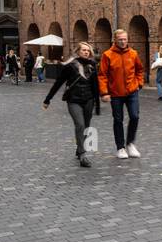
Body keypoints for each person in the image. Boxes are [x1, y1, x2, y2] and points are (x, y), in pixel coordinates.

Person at [43, 42, 100, 168]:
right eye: (84, 50)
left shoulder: (93, 65)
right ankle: (83, 154)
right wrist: (48, 99)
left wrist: (98, 104)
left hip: (89, 99)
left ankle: (79, 148)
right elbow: (58, 82)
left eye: (88, 50)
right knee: (80, 124)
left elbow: (95, 85)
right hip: (73, 100)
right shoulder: (70, 65)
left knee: (86, 126)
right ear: (78, 51)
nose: (86, 52)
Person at [98, 28, 143, 159]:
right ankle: (120, 147)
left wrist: (139, 83)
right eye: (120, 40)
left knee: (134, 116)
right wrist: (104, 92)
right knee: (118, 120)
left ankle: (130, 143)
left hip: (132, 91)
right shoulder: (107, 55)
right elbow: (102, 75)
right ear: (115, 40)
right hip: (116, 93)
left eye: (125, 39)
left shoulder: (133, 54)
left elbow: (139, 70)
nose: (123, 42)